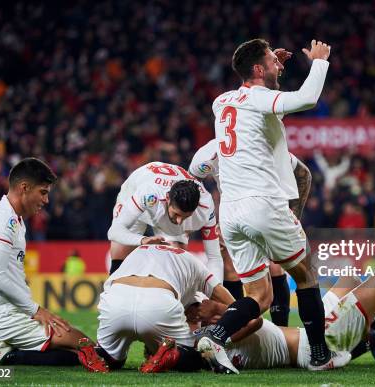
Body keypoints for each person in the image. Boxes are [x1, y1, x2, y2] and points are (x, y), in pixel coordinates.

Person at [197, 38, 345, 372]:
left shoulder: (221, 102)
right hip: (263, 203)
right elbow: (306, 99)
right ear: (259, 69)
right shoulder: (259, 98)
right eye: (271, 61)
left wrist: (270, 65)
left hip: (231, 212)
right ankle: (320, 356)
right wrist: (319, 61)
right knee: (306, 273)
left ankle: (217, 335)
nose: (279, 64)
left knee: (259, 295)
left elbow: (252, 96)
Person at [149, 275, 375, 373]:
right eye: (201, 301)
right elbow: (255, 324)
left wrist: (220, 310)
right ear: (194, 313)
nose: (207, 301)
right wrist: (222, 309)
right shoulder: (210, 337)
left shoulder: (210, 331)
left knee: (349, 275)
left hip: (308, 336)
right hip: (315, 348)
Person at [0, 157, 108, 372]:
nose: (46, 200)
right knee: (90, 350)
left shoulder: (13, 219)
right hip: (9, 318)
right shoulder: (4, 221)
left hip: (14, 314)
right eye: (43, 192)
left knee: (82, 350)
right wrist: (37, 310)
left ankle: (5, 350)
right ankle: (8, 356)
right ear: (24, 188)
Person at [189, 137, 312, 326]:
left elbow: (303, 174)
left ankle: (280, 330)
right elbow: (192, 185)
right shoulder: (208, 155)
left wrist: (293, 217)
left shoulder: (259, 144)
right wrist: (210, 218)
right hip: (234, 215)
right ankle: (239, 330)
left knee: (275, 267)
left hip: (267, 211)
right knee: (233, 269)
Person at [95, 244, 238, 372]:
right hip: (159, 302)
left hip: (116, 299)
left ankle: (96, 353)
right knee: (195, 358)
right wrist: (217, 308)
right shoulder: (195, 263)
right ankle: (172, 355)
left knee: (109, 360)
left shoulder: (139, 250)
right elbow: (236, 307)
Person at [107, 162, 221, 281]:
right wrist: (142, 240)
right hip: (137, 190)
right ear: (167, 198)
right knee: (121, 255)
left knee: (177, 262)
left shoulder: (206, 207)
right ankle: (112, 294)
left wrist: (216, 292)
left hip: (162, 201)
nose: (179, 221)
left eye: (185, 216)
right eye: (176, 214)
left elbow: (214, 257)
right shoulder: (148, 193)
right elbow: (114, 232)